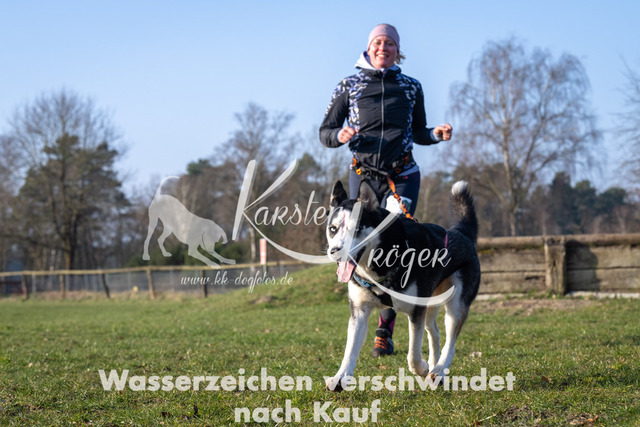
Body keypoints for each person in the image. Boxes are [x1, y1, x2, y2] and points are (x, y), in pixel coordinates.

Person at [319, 23, 453, 357]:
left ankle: (385, 329)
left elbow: (419, 131)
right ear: (368, 48)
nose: (383, 47)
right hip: (363, 176)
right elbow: (325, 132)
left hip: (401, 175)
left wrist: (434, 134)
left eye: (390, 43)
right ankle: (363, 302)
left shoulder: (410, 86)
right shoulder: (349, 85)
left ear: (397, 50)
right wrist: (339, 136)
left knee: (393, 243)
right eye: (378, 42)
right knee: (359, 243)